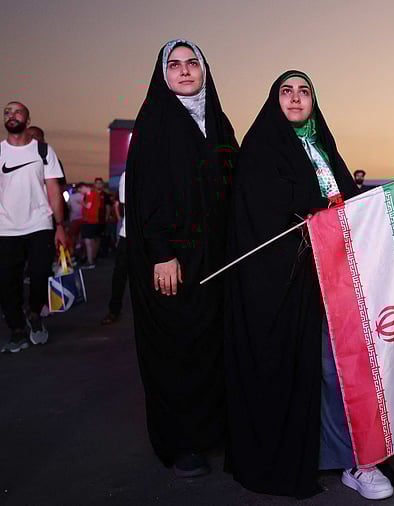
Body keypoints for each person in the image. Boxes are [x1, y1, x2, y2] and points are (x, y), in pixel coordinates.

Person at [225, 71, 394, 500]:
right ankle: (306, 456)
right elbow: (258, 215)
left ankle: (357, 460)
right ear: (274, 100)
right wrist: (306, 225)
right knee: (305, 368)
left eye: (304, 92)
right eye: (287, 91)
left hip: (337, 277)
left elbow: (347, 203)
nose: (296, 98)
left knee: (344, 368)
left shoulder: (324, 146)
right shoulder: (262, 148)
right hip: (288, 281)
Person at [125, 39, 237, 478]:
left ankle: (213, 431)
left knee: (212, 343)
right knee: (175, 348)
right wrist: (162, 253)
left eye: (193, 63)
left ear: (205, 71)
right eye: (175, 65)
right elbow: (148, 193)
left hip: (215, 259)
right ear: (163, 74)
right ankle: (180, 442)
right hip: (171, 259)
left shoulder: (219, 122)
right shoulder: (154, 121)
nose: (185, 71)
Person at [0, 101, 67, 352]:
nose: (11, 115)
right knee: (7, 282)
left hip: (40, 224)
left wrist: (59, 226)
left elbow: (54, 191)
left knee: (39, 274)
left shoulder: (44, 151)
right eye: (7, 112)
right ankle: (16, 330)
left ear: (27, 119)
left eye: (17, 111)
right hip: (5, 228)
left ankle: (35, 315)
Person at [101, 171, 127, 325]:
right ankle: (114, 310)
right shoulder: (128, 174)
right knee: (120, 274)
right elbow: (123, 208)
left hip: (153, 234)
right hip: (129, 234)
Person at [80, 179, 103, 268]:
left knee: (88, 241)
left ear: (84, 187)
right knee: (91, 241)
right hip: (92, 221)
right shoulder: (94, 194)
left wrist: (81, 202)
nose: (81, 192)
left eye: (80, 190)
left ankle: (90, 262)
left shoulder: (91, 194)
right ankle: (91, 260)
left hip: (90, 221)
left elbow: (88, 206)